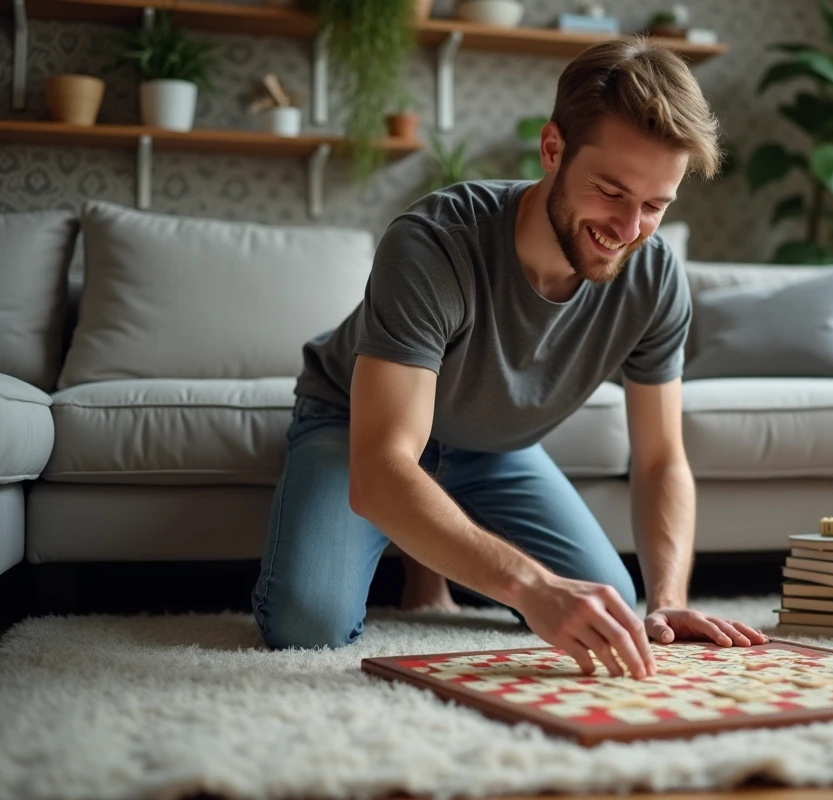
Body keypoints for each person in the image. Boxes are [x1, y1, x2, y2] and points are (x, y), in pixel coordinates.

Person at [250, 37, 767, 679]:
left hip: (495, 448)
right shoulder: (435, 243)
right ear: (553, 149)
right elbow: (383, 465)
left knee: (618, 609)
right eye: (610, 191)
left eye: (656, 206)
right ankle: (419, 552)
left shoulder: (656, 278)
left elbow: (661, 458)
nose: (629, 229)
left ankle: (430, 549)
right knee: (307, 625)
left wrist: (668, 602)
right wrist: (531, 588)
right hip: (359, 425)